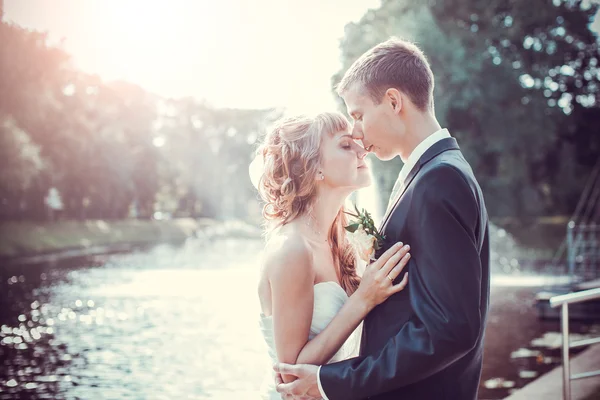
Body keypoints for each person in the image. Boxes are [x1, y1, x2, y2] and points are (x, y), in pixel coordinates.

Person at [274, 37, 490, 400]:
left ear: (393, 101)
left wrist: (335, 382)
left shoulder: (437, 180)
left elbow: (450, 329)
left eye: (358, 115)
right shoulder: (433, 172)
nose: (356, 133)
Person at [253, 112, 411, 400]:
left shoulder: (342, 238)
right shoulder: (293, 249)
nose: (363, 150)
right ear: (313, 168)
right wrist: (363, 299)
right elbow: (291, 374)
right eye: (345, 145)